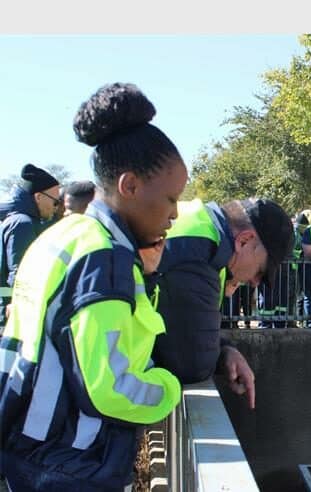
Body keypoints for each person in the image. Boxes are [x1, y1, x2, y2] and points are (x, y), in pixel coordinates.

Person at [0, 82, 184, 492]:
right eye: (171, 198)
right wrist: (170, 389)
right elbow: (110, 389)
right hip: (73, 463)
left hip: (27, 449)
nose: (175, 214)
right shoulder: (105, 257)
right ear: (130, 186)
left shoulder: (63, 236)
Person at [150, 197, 293, 404]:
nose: (254, 282)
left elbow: (190, 332)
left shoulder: (200, 226)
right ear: (244, 241)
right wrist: (220, 355)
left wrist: (224, 349)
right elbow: (192, 362)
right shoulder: (201, 250)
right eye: (260, 271)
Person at [0, 163, 60, 328]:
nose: (56, 208)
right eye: (55, 202)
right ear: (38, 197)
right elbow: (19, 273)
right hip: (11, 317)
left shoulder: (17, 219)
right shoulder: (22, 223)